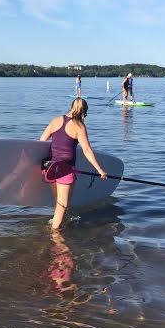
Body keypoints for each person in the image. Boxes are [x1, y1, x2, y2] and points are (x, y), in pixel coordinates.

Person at [39, 98, 107, 231]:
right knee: (62, 204)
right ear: (83, 112)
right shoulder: (79, 126)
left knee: (60, 202)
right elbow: (87, 150)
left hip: (50, 168)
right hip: (65, 169)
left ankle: (62, 223)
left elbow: (41, 142)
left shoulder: (55, 120)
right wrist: (100, 170)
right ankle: (55, 236)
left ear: (71, 107)